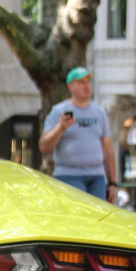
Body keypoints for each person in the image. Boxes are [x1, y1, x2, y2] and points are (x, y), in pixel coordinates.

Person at [39, 66, 118, 203]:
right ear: (71, 87)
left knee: (98, 218)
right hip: (69, 175)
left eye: (88, 81)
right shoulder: (59, 111)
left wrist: (112, 183)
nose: (86, 86)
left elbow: (108, 149)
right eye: (81, 82)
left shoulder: (100, 113)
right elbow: (44, 146)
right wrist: (60, 128)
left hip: (97, 177)